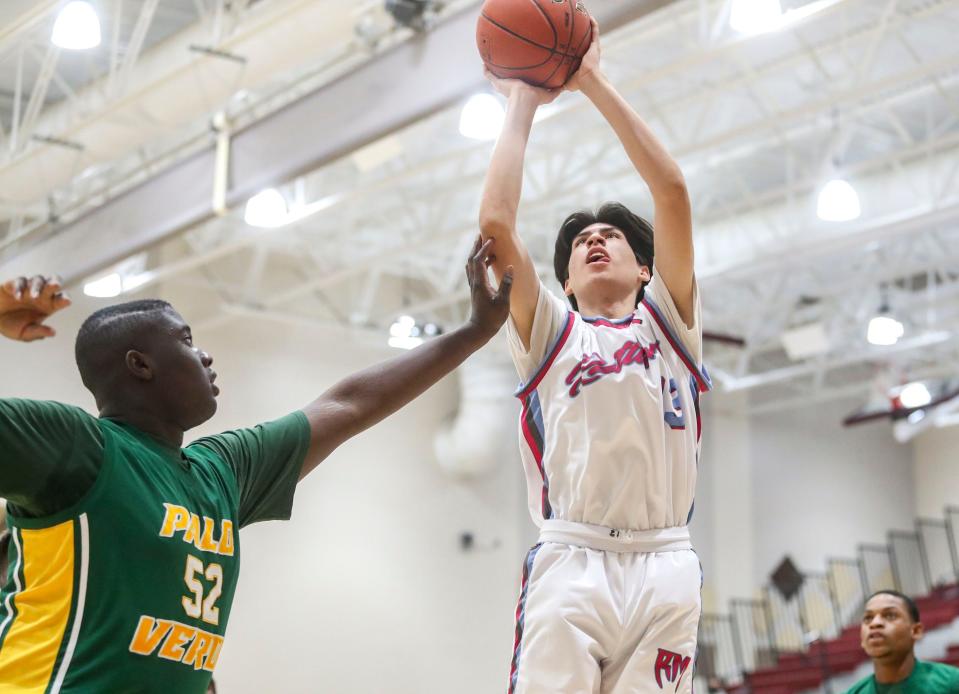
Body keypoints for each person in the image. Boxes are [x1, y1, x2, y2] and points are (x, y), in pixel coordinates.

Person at [0, 237, 512, 693]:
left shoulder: (222, 470)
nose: (204, 356)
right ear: (140, 365)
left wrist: (472, 334)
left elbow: (349, 404)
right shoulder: (75, 445)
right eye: (185, 340)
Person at [479, 18, 708, 694]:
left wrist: (590, 80)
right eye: (581, 243)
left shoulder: (671, 324)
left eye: (613, 236)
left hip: (665, 562)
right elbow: (495, 227)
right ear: (567, 280)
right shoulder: (550, 334)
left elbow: (670, 191)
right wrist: (521, 100)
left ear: (647, 270)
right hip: (571, 556)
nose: (596, 241)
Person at [847, 590, 959, 693]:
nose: (875, 623)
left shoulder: (952, 683)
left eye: (890, 615)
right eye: (868, 618)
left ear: (916, 631)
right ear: (862, 640)